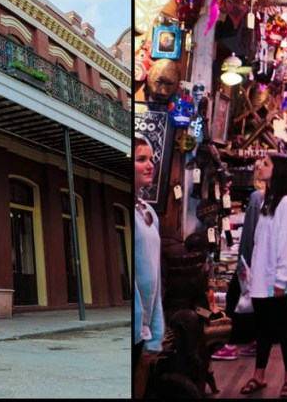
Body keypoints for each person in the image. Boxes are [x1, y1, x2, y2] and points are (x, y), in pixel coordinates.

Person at [239, 154, 287, 399]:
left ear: (277, 171)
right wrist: (251, 267)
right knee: (263, 329)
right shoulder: (268, 200)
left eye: (266, 164)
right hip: (261, 276)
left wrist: (281, 279)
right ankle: (259, 375)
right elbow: (262, 241)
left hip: (276, 280)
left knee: (284, 329)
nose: (260, 167)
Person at [211, 167, 263, 361]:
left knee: (234, 298)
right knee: (253, 302)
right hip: (260, 261)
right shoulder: (274, 198)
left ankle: (231, 344)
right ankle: (255, 341)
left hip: (250, 260)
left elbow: (250, 231)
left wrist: (244, 260)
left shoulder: (257, 198)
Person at [134, 134, 163, 398]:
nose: (150, 164)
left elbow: (156, 276)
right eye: (141, 159)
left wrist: (155, 332)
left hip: (145, 330)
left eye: (151, 158)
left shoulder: (149, 213)